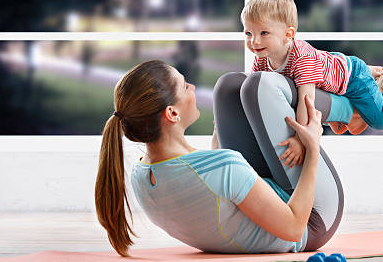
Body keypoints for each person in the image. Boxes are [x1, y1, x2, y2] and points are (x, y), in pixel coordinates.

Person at [95, 60, 350, 257]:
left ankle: (347, 109)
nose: (192, 88)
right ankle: (349, 110)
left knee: (229, 86)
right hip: (311, 221)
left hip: (265, 208)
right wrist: (312, 146)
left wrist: (216, 150)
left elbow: (212, 199)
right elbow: (294, 228)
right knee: (260, 86)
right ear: (172, 113)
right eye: (185, 86)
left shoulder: (141, 176)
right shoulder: (223, 167)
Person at [241, 0, 383, 167]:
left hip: (353, 78)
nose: (254, 41)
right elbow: (252, 89)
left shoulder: (301, 59)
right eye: (248, 33)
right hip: (327, 65)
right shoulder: (262, 58)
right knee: (319, 84)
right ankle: (367, 73)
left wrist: (299, 139)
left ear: (288, 34)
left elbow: (307, 102)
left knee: (382, 119)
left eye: (264, 33)